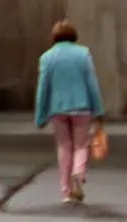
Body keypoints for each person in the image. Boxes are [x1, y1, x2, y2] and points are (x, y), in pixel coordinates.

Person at [32, 17, 103, 204]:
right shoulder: (83, 54)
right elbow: (92, 84)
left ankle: (66, 191)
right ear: (74, 36)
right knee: (81, 145)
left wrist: (40, 116)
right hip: (82, 107)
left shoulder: (47, 57)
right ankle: (78, 172)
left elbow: (43, 89)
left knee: (64, 147)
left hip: (58, 109)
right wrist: (98, 110)